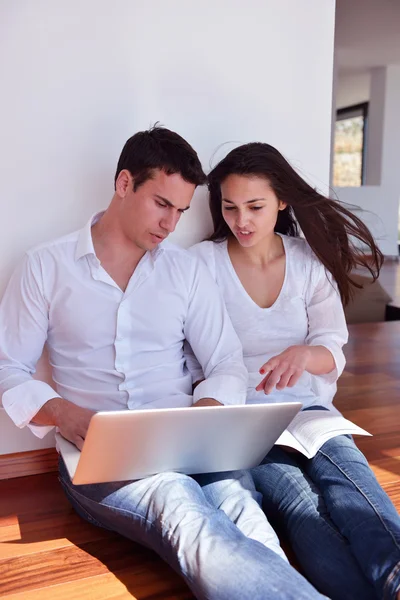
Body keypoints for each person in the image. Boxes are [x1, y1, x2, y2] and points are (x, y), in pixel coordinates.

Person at [0, 127, 327, 600]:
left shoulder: (184, 270)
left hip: (189, 441)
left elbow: (226, 361)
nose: (170, 224)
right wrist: (65, 415)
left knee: (243, 509)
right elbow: (8, 368)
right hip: (99, 459)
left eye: (180, 211)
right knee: (182, 510)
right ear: (124, 183)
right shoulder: (44, 267)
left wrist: (207, 411)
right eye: (161, 204)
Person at [188, 141, 400, 600]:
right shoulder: (201, 264)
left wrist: (302, 356)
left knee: (350, 480)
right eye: (230, 207)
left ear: (282, 201)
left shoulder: (306, 262)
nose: (241, 221)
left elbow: (332, 347)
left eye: (255, 206)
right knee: (301, 509)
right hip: (244, 421)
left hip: (309, 412)